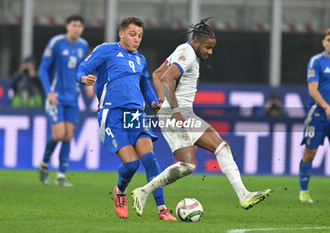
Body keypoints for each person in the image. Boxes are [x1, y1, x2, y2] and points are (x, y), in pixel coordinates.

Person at [131, 18, 272, 216]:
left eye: (212, 48)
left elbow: (157, 74)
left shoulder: (184, 50)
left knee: (220, 148)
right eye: (207, 47)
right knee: (189, 164)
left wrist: (160, 99)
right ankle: (143, 191)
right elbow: (166, 77)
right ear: (196, 42)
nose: (210, 52)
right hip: (177, 115)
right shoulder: (187, 54)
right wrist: (175, 110)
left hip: (180, 112)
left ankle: (243, 195)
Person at [76, 16, 176, 221]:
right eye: (132, 34)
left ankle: (162, 209)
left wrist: (154, 102)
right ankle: (120, 192)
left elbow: (145, 86)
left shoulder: (140, 59)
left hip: (136, 114)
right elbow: (82, 68)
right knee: (131, 165)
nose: (137, 39)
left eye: (140, 36)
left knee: (149, 158)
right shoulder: (106, 50)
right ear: (121, 34)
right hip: (112, 114)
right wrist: (83, 78)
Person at [37, 15, 91, 187]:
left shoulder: (83, 45)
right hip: (56, 96)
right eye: (74, 25)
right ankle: (44, 163)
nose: (77, 28)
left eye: (80, 26)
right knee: (58, 134)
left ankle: (61, 176)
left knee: (68, 136)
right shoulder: (56, 43)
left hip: (73, 98)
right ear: (67, 26)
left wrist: (88, 83)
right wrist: (48, 92)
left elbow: (83, 69)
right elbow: (43, 69)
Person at [299, 28, 330, 203]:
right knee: (310, 152)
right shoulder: (316, 61)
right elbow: (312, 89)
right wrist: (326, 106)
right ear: (323, 42)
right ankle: (304, 191)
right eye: (328, 40)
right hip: (318, 113)